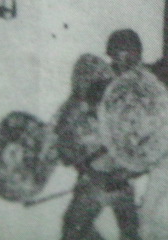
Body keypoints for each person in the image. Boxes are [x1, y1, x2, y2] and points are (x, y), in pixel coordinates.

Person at [56, 29, 144, 240]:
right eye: (123, 54)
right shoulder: (97, 83)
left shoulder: (139, 88)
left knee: (75, 230)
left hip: (112, 177)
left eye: (131, 55)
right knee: (75, 230)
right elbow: (69, 122)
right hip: (100, 176)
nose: (127, 60)